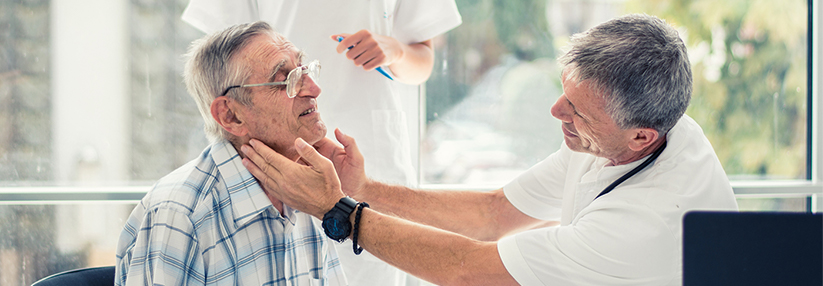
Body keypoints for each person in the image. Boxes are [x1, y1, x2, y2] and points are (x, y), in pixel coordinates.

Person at [239, 14, 740, 285]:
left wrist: (339, 211)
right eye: (565, 92)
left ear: (642, 137)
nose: (556, 113)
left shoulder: (645, 225)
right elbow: (493, 213)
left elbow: (467, 271)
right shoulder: (622, 132)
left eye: (579, 112)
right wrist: (365, 189)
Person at [180, 1, 461, 285]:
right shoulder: (183, 217)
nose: (316, 88)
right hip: (279, 158)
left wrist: (395, 51)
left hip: (367, 150)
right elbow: (224, 59)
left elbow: (422, 60)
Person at [114, 21, 347, 286]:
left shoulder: (309, 191)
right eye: (286, 80)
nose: (314, 89)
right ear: (230, 115)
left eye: (304, 70)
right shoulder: (180, 216)